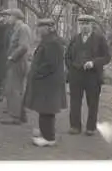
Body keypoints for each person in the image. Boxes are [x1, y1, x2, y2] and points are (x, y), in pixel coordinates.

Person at [24, 18, 67, 147]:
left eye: (40, 27)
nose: (38, 29)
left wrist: (36, 73)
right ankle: (45, 132)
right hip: (48, 82)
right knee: (44, 110)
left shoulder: (52, 43)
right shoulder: (49, 41)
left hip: (49, 83)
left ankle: (48, 138)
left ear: (49, 28)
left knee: (46, 110)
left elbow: (50, 64)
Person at [65, 14, 111, 136]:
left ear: (92, 25)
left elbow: (107, 57)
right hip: (76, 76)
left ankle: (91, 127)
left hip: (93, 76)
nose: (84, 26)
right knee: (75, 102)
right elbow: (67, 56)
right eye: (82, 24)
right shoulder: (75, 38)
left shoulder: (99, 39)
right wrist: (72, 68)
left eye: (87, 24)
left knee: (93, 103)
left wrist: (94, 63)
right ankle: (75, 126)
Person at [0, 8, 33, 125]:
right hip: (17, 62)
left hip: (19, 62)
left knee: (14, 89)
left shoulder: (23, 28)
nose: (7, 18)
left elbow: (23, 46)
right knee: (17, 89)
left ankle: (15, 116)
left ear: (15, 17)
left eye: (9, 16)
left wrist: (12, 57)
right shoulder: (17, 28)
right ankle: (21, 115)